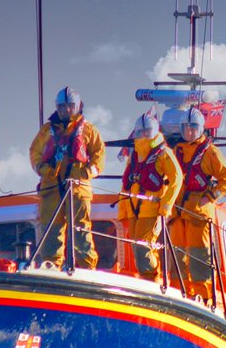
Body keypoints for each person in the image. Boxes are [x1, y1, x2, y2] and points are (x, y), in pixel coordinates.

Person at [29, 86, 105, 269]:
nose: (66, 110)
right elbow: (35, 153)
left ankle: (87, 268)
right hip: (51, 188)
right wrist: (43, 169)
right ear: (57, 107)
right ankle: (51, 267)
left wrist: (87, 172)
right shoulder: (46, 131)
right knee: (51, 230)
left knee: (80, 230)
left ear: (78, 106)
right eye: (62, 106)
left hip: (78, 188)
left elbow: (98, 155)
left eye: (70, 106)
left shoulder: (89, 130)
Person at [170, 106, 226, 302]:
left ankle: (202, 295)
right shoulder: (177, 151)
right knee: (177, 256)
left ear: (201, 129)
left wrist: (209, 197)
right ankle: (177, 291)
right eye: (186, 128)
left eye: (193, 128)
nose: (189, 132)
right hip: (178, 213)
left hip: (198, 213)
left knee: (199, 256)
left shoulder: (210, 152)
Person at [119, 113, 183, 282]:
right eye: (141, 132)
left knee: (144, 247)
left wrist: (166, 205)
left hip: (152, 209)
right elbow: (126, 182)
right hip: (134, 210)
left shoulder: (163, 153)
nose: (145, 135)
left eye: (148, 131)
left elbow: (177, 178)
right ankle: (146, 279)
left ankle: (152, 282)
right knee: (136, 247)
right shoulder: (134, 154)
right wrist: (123, 208)